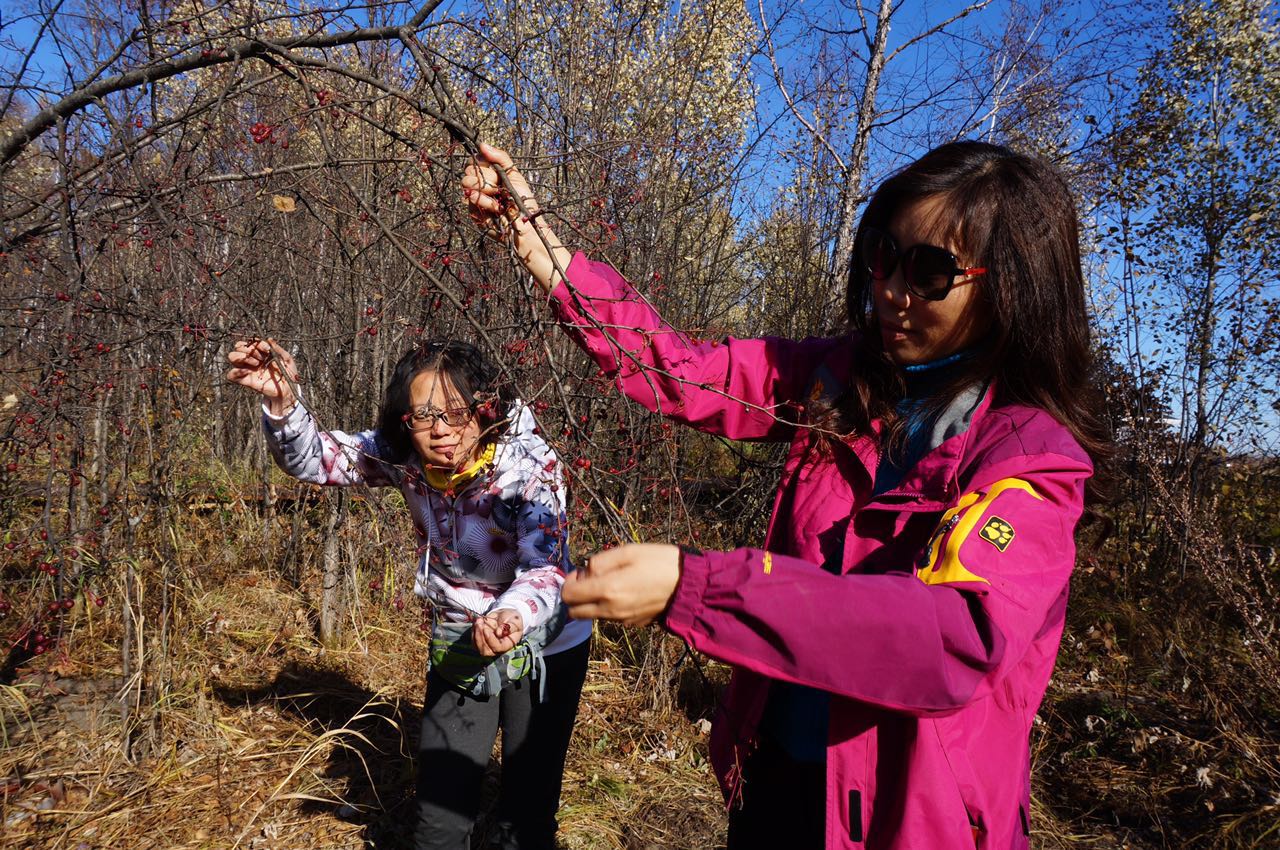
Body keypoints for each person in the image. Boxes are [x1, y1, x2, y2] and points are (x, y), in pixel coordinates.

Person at [462, 141, 1109, 850]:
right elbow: (681, 370)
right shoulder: (838, 381)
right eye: (884, 256)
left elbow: (954, 638)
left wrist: (699, 588)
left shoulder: (1030, 462)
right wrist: (541, 249)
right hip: (777, 775)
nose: (892, 290)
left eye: (930, 273)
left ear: (1010, 287)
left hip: (907, 821)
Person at [225, 338, 591, 850]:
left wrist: (510, 614)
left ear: (486, 407)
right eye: (424, 417)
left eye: (458, 412)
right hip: (462, 635)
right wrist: (284, 403)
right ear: (404, 421)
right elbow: (319, 460)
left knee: (526, 816)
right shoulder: (404, 457)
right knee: (440, 819)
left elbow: (546, 568)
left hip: (547, 643)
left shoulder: (528, 466)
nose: (442, 430)